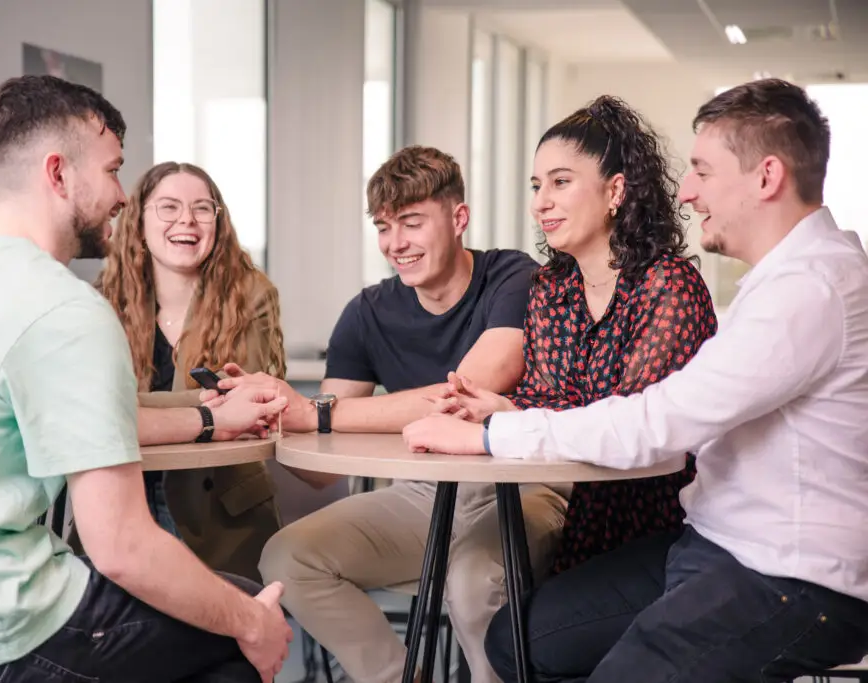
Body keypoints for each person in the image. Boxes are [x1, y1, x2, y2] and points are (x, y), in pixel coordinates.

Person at [406, 79, 868, 683]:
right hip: (710, 542)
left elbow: (656, 422)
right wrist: (510, 418)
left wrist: (494, 433)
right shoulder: (784, 278)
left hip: (789, 576)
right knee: (516, 643)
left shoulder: (807, 290)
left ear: (766, 177)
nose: (687, 191)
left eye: (703, 171)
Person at [0, 75, 292, 683]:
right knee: (241, 622)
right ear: (58, 174)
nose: (120, 197)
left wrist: (207, 419)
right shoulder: (65, 309)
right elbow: (123, 548)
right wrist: (252, 624)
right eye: (112, 171)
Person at [217, 145, 569, 683]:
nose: (395, 244)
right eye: (383, 226)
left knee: (473, 583)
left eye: (411, 222)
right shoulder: (367, 313)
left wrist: (314, 412)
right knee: (289, 558)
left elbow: (463, 396)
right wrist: (272, 413)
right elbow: (319, 467)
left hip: (518, 484)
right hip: (422, 492)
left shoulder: (513, 277)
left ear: (458, 218)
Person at [431, 95, 717, 576]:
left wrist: (511, 413)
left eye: (561, 182)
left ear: (615, 192)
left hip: (673, 523)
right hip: (586, 511)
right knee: (481, 582)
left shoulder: (667, 285)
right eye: (537, 185)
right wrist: (501, 406)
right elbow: (548, 396)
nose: (540, 202)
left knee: (518, 626)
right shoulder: (551, 288)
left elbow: (632, 425)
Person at [93, 161, 286, 581]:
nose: (187, 220)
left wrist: (126, 407)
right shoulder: (101, 302)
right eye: (168, 207)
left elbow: (250, 402)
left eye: (202, 208)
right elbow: (89, 410)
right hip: (122, 506)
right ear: (139, 221)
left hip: (221, 514)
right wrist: (209, 407)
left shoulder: (251, 295)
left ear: (218, 222)